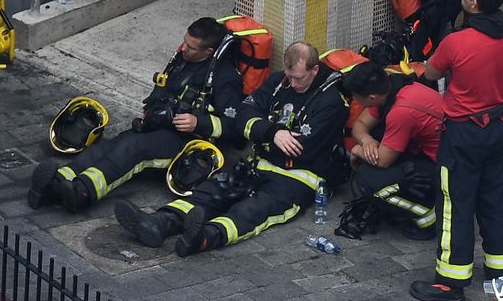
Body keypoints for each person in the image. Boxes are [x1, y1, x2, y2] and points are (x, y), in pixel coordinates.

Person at [114, 43, 348, 257]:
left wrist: (260, 129)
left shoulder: (331, 103)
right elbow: (243, 114)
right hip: (259, 164)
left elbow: (299, 149)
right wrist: (273, 133)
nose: (293, 84)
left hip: (298, 178)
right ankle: (160, 222)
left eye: (299, 78)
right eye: (290, 77)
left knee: (254, 210)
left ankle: (205, 238)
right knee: (215, 189)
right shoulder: (279, 83)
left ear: (315, 70)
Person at [29, 16, 243, 211]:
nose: (183, 48)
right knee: (111, 145)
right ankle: (59, 182)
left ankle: (83, 191)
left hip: (185, 143)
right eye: (184, 41)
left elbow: (236, 129)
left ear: (208, 52)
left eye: (191, 47)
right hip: (159, 125)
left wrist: (198, 123)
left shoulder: (225, 79)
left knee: (133, 149)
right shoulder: (182, 59)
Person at [411, 0, 503, 301]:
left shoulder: (456, 43)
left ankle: (450, 282)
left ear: (473, 2)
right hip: (502, 128)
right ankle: (499, 272)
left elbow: (431, 73)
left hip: (464, 134)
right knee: (494, 199)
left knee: (456, 205)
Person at [344, 62, 445, 237]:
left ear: (372, 98)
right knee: (372, 152)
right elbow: (359, 126)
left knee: (368, 181)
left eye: (355, 97)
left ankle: (427, 216)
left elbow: (382, 160)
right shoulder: (392, 88)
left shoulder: (400, 111)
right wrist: (367, 140)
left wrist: (357, 151)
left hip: (442, 166)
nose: (354, 100)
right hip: (428, 153)